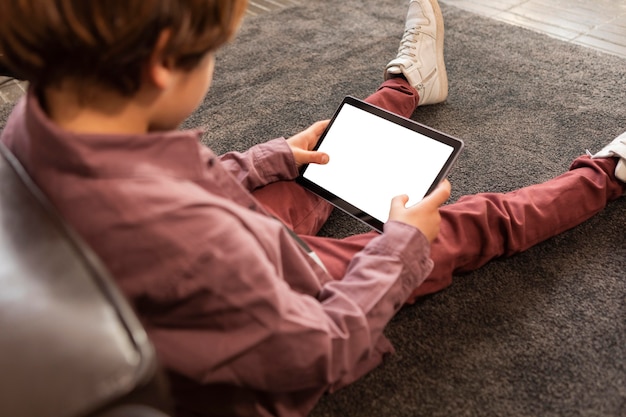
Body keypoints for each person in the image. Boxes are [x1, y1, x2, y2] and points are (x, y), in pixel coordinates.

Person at [0, 0, 624, 416]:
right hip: (268, 306)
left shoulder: (33, 124)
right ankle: (609, 174)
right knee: (469, 222)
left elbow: (181, 184)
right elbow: (320, 346)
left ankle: (405, 87)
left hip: (180, 273)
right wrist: (400, 246)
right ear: (164, 61)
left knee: (326, 162)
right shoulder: (197, 242)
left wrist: (270, 158)